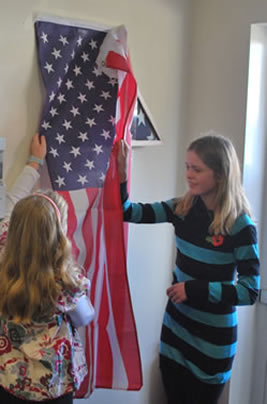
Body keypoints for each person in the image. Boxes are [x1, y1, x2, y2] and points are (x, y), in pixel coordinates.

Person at [117, 132, 260, 404]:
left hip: (212, 345)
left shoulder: (241, 225)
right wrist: (122, 177)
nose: (189, 175)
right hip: (175, 333)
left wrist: (193, 290)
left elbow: (249, 291)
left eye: (197, 169)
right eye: (187, 167)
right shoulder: (182, 208)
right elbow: (128, 212)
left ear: (219, 174)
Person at [0, 134, 94, 403]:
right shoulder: (67, 283)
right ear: (59, 235)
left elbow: (10, 203)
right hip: (54, 385)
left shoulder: (3, 259)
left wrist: (33, 163)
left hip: (9, 381)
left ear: (15, 228)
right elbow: (84, 317)